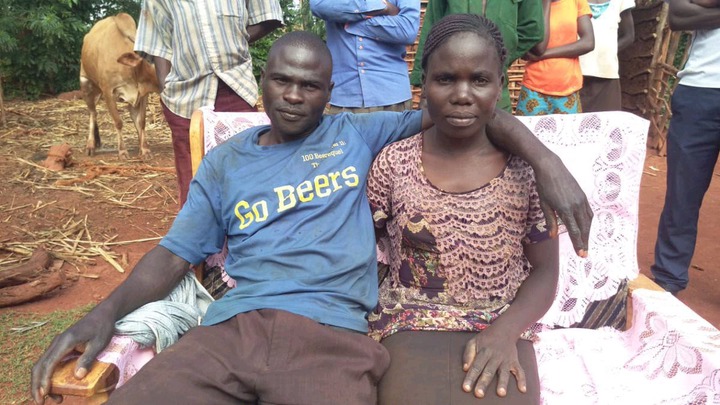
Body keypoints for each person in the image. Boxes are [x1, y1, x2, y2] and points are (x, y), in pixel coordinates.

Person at [31, 31, 592, 405]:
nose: (294, 96)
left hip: (332, 338)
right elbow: (173, 255)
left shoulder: (357, 134)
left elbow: (462, 109)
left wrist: (545, 160)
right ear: (263, 81)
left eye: (310, 85)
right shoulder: (226, 163)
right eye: (282, 80)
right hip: (232, 330)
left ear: (330, 93)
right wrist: (104, 313)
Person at [368, 14, 558, 405]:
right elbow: (364, 251)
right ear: (423, 83)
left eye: (480, 80)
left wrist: (505, 332)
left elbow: (546, 271)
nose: (462, 94)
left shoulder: (524, 171)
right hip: (410, 318)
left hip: (502, 318)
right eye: (445, 79)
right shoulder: (394, 163)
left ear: (500, 85)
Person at [134, 0, 283, 207]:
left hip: (236, 85)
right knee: (193, 185)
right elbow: (158, 42)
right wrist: (165, 89)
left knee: (245, 180)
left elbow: (269, 16)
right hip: (185, 96)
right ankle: (198, 227)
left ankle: (241, 228)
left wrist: (235, 38)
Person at [650, 0, 720, 295]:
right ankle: (668, 277)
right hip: (699, 91)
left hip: (699, 95)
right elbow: (678, 15)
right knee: (682, 194)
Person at [409, 0, 545, 113]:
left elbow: (532, 30)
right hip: (449, 86)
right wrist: (424, 90)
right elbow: (431, 28)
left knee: (495, 132)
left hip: (493, 92)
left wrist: (498, 59)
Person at [309, 0, 420, 114]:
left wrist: (351, 24)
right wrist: (383, 7)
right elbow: (318, 5)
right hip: (344, 95)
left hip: (392, 95)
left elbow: (407, 30)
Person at [515, 0, 594, 115]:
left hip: (568, 88)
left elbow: (588, 42)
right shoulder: (532, 4)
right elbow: (540, 47)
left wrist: (543, 55)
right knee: (528, 127)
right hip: (534, 88)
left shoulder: (576, 1)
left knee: (568, 127)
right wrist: (546, 3)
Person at [578, 0, 635, 112]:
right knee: (574, 120)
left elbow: (629, 36)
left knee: (607, 120)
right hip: (576, 72)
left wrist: (609, 51)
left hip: (607, 74)